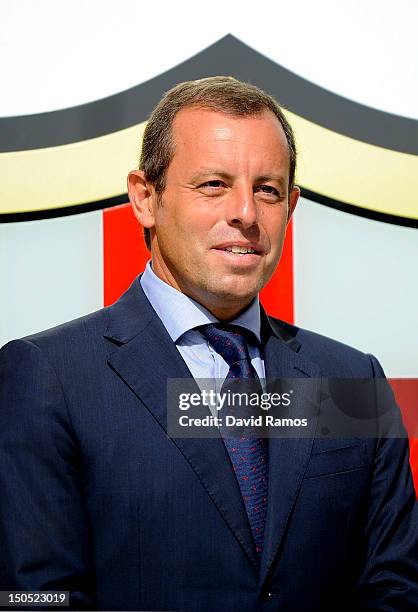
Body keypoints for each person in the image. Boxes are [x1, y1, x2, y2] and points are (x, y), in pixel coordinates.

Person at [0, 77, 417, 612]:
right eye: (214, 184)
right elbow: (36, 598)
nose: (246, 212)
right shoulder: (50, 377)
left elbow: (395, 588)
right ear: (146, 198)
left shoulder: (352, 379)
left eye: (267, 189)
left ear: (291, 206)